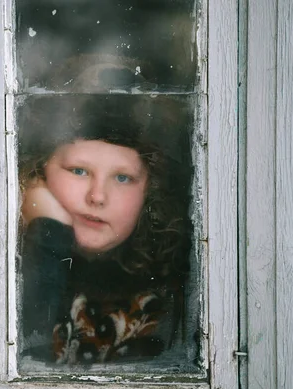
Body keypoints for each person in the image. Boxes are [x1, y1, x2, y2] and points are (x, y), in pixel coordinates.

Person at [19, 97, 192, 364]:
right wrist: (48, 233)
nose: (97, 197)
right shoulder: (4, 264)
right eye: (79, 171)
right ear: (38, 173)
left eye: (122, 178)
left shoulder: (174, 299)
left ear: (149, 192)